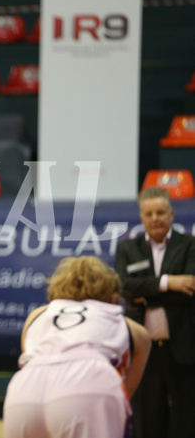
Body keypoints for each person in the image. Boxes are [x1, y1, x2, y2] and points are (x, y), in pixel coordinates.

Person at [3, 256, 151, 438]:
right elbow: (123, 394)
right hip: (88, 378)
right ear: (112, 296)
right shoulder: (135, 331)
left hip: (25, 388)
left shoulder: (36, 316)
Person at [114, 186, 195, 438]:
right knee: (147, 420)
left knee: (187, 418)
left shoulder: (189, 245)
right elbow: (124, 286)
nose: (155, 218)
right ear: (141, 217)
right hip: (143, 351)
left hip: (182, 346)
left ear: (171, 214)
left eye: (161, 212)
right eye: (149, 214)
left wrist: (144, 294)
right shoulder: (128, 249)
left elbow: (190, 287)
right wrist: (169, 283)